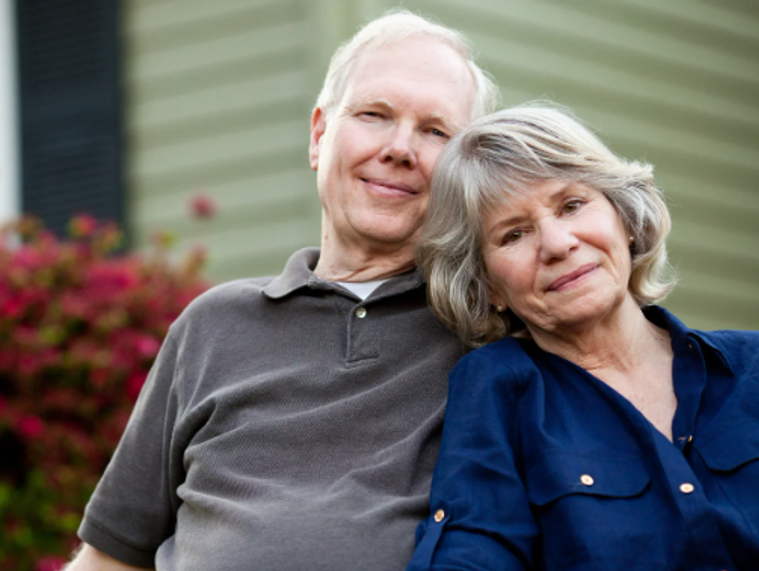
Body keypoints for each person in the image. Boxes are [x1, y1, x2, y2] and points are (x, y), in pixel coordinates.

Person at [63, 9, 498, 571]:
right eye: (374, 114)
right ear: (319, 136)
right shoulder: (213, 326)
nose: (400, 147)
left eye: (435, 131)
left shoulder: (487, 332)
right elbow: (109, 558)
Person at [406, 103, 759, 571]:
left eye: (572, 206)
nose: (557, 244)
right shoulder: (501, 390)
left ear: (624, 218)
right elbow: (475, 548)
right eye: (514, 235)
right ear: (489, 287)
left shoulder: (751, 366)